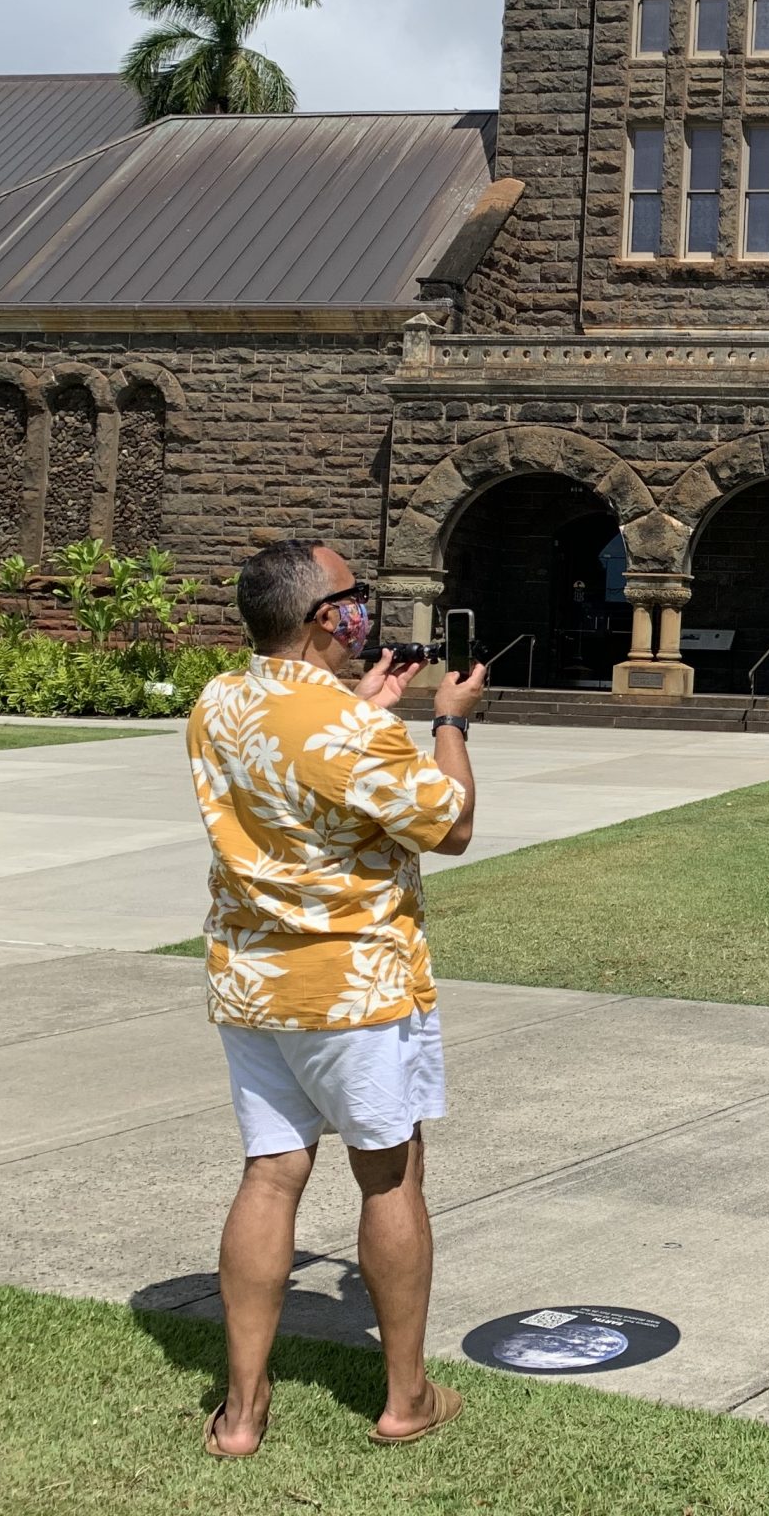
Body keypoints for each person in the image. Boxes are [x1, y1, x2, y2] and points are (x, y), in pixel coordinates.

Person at [186, 538, 487, 1457]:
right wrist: (450, 723)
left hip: (252, 979)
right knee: (388, 1171)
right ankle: (405, 1396)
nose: (367, 608)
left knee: (271, 1172)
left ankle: (240, 1414)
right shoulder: (357, 735)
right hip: (354, 984)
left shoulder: (218, 701)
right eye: (356, 595)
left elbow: (294, 761)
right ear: (327, 617)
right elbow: (454, 824)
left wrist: (359, 708)